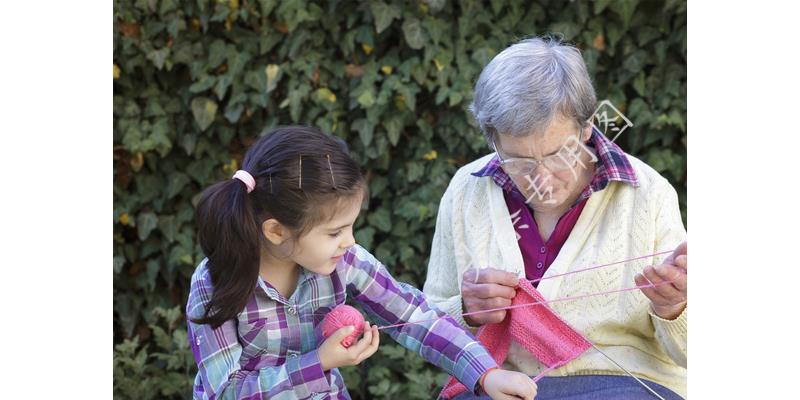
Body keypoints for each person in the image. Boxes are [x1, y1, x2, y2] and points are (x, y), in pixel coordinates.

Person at [186, 126, 538, 399]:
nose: (350, 241)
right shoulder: (214, 282)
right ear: (277, 231)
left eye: (350, 226)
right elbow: (225, 392)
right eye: (335, 232)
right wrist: (318, 363)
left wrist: (486, 374)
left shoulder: (345, 260)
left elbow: (415, 317)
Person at [423, 37, 687, 399]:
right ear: (494, 142)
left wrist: (675, 308)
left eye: (559, 155)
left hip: (623, 386)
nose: (542, 178)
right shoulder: (466, 190)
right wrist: (466, 311)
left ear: (586, 128)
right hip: (503, 388)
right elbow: (425, 324)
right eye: (519, 161)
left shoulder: (648, 193)